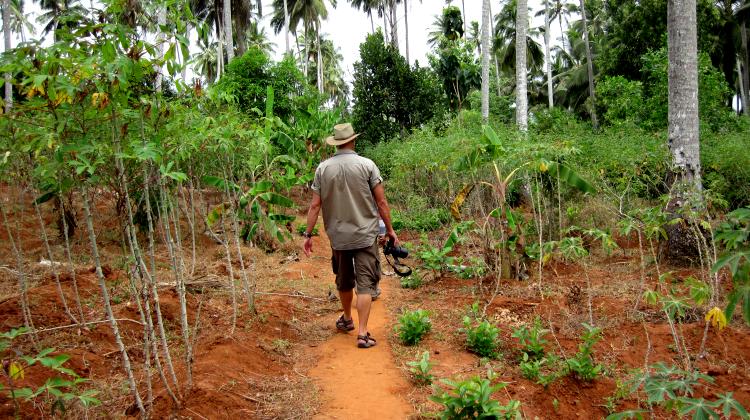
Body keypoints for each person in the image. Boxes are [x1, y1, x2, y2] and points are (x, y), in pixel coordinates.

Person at [302, 123, 399, 349]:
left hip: (338, 238)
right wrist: (390, 230)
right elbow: (381, 201)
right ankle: (363, 333)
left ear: (336, 143)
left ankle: (347, 319)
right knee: (365, 284)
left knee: (344, 280)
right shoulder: (367, 165)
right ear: (353, 140)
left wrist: (308, 234)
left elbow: (315, 206)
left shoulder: (323, 169)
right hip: (365, 235)